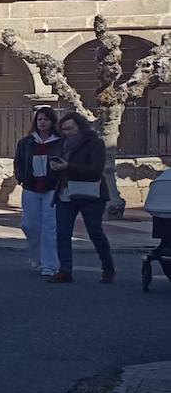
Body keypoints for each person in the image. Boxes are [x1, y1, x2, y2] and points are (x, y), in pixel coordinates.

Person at [48, 111, 117, 284]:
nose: (67, 132)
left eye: (70, 128)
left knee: (94, 231)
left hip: (90, 193)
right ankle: (65, 270)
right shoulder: (61, 144)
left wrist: (68, 166)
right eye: (64, 129)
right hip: (65, 192)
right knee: (62, 233)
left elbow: (95, 169)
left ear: (80, 126)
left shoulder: (94, 143)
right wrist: (55, 167)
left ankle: (108, 268)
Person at [14, 107, 63, 278]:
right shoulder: (26, 142)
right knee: (30, 225)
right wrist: (20, 177)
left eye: (46, 119)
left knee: (49, 227)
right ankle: (36, 256)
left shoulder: (60, 142)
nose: (42, 123)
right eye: (40, 119)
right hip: (31, 188)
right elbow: (18, 162)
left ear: (52, 122)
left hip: (51, 188)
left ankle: (49, 264)